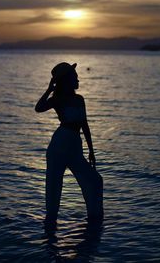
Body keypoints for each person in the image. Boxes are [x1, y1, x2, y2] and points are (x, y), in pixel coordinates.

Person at [35, 62, 103, 225]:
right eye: (74, 76)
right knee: (54, 186)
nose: (78, 78)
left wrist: (91, 151)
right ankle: (50, 228)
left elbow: (85, 125)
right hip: (59, 144)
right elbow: (38, 108)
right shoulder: (57, 99)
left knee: (95, 180)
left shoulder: (79, 99)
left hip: (74, 145)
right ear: (66, 80)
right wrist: (49, 89)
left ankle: (95, 219)